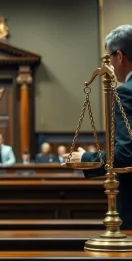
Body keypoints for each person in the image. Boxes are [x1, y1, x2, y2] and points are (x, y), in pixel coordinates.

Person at [63, 25, 132, 230]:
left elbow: (126, 154)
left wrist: (86, 159)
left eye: (108, 57)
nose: (108, 63)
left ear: (119, 56)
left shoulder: (126, 93)